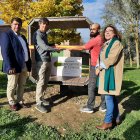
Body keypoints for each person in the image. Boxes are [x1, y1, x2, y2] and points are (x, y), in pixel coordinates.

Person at [58, 23, 106, 113]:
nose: (91, 30)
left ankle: (90, 107)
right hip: (101, 65)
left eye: (94, 29)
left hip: (95, 65)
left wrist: (66, 47)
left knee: (91, 86)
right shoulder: (101, 39)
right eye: (91, 29)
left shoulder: (96, 39)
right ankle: (103, 106)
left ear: (98, 30)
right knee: (102, 86)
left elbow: (82, 47)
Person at [95, 25, 124, 130]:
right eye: (106, 31)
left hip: (112, 74)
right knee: (111, 97)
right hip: (105, 73)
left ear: (115, 33)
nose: (107, 32)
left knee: (108, 97)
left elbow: (111, 59)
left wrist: (100, 67)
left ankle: (107, 122)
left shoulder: (116, 43)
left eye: (110, 31)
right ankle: (116, 118)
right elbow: (101, 58)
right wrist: (97, 66)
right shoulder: (106, 44)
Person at [0, 17, 31, 111]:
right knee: (12, 85)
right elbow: (5, 52)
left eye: (19, 24)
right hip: (13, 66)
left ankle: (19, 101)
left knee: (22, 84)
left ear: (21, 26)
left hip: (24, 64)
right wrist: (10, 66)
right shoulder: (6, 35)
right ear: (11, 25)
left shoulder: (22, 37)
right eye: (15, 24)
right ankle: (11, 102)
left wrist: (28, 64)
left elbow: (25, 51)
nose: (17, 26)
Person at [33, 18, 59, 113]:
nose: (45, 26)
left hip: (48, 60)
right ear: (39, 24)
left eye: (46, 24)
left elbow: (46, 44)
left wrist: (53, 44)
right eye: (43, 24)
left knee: (46, 81)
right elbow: (43, 47)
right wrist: (56, 49)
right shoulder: (37, 34)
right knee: (41, 81)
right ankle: (38, 103)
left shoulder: (44, 34)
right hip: (41, 61)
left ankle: (42, 98)